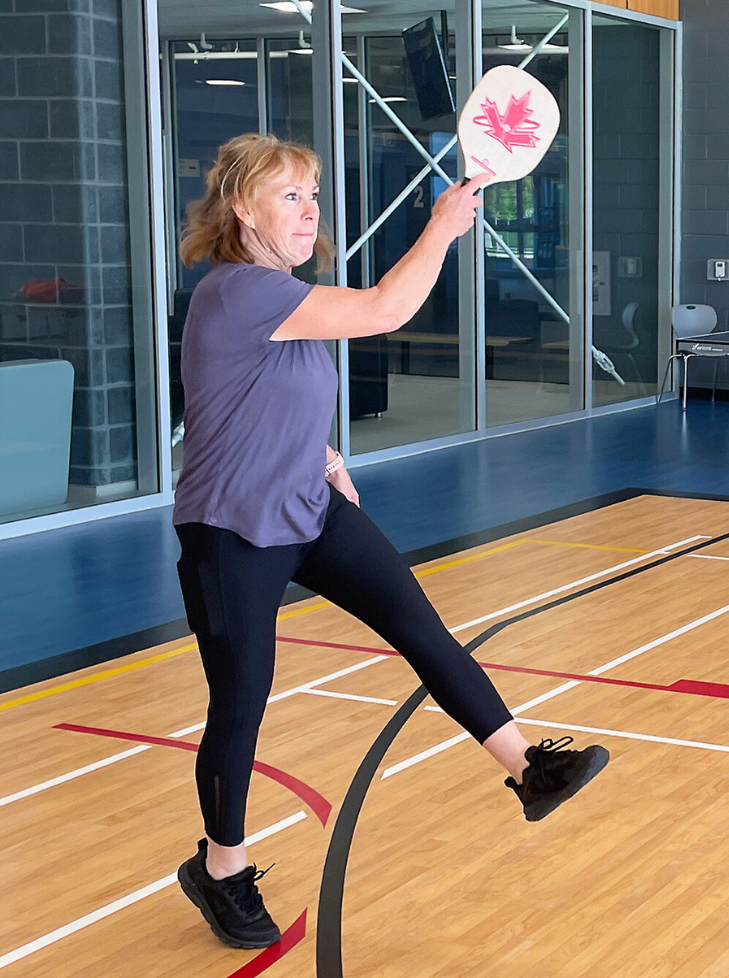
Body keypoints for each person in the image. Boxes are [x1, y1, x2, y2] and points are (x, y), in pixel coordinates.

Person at [168, 134, 611, 950]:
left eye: (312, 196)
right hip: (232, 529)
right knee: (241, 703)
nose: (310, 212)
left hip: (308, 505)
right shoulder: (234, 293)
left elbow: (272, 396)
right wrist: (444, 224)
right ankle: (220, 867)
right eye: (290, 196)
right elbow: (384, 310)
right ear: (241, 208)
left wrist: (328, 456)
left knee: (421, 627)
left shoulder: (284, 296)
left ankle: (529, 768)